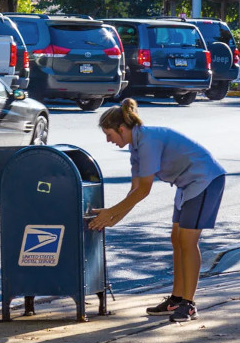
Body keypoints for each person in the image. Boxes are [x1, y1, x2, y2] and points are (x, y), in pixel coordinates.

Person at [88, 98, 226, 323]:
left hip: (205, 180)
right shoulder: (136, 145)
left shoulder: (148, 141)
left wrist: (111, 212)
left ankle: (189, 305)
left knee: (188, 241)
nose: (108, 140)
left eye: (109, 134)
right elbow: (135, 189)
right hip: (186, 184)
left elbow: (144, 190)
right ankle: (177, 299)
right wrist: (114, 218)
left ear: (121, 129)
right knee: (177, 239)